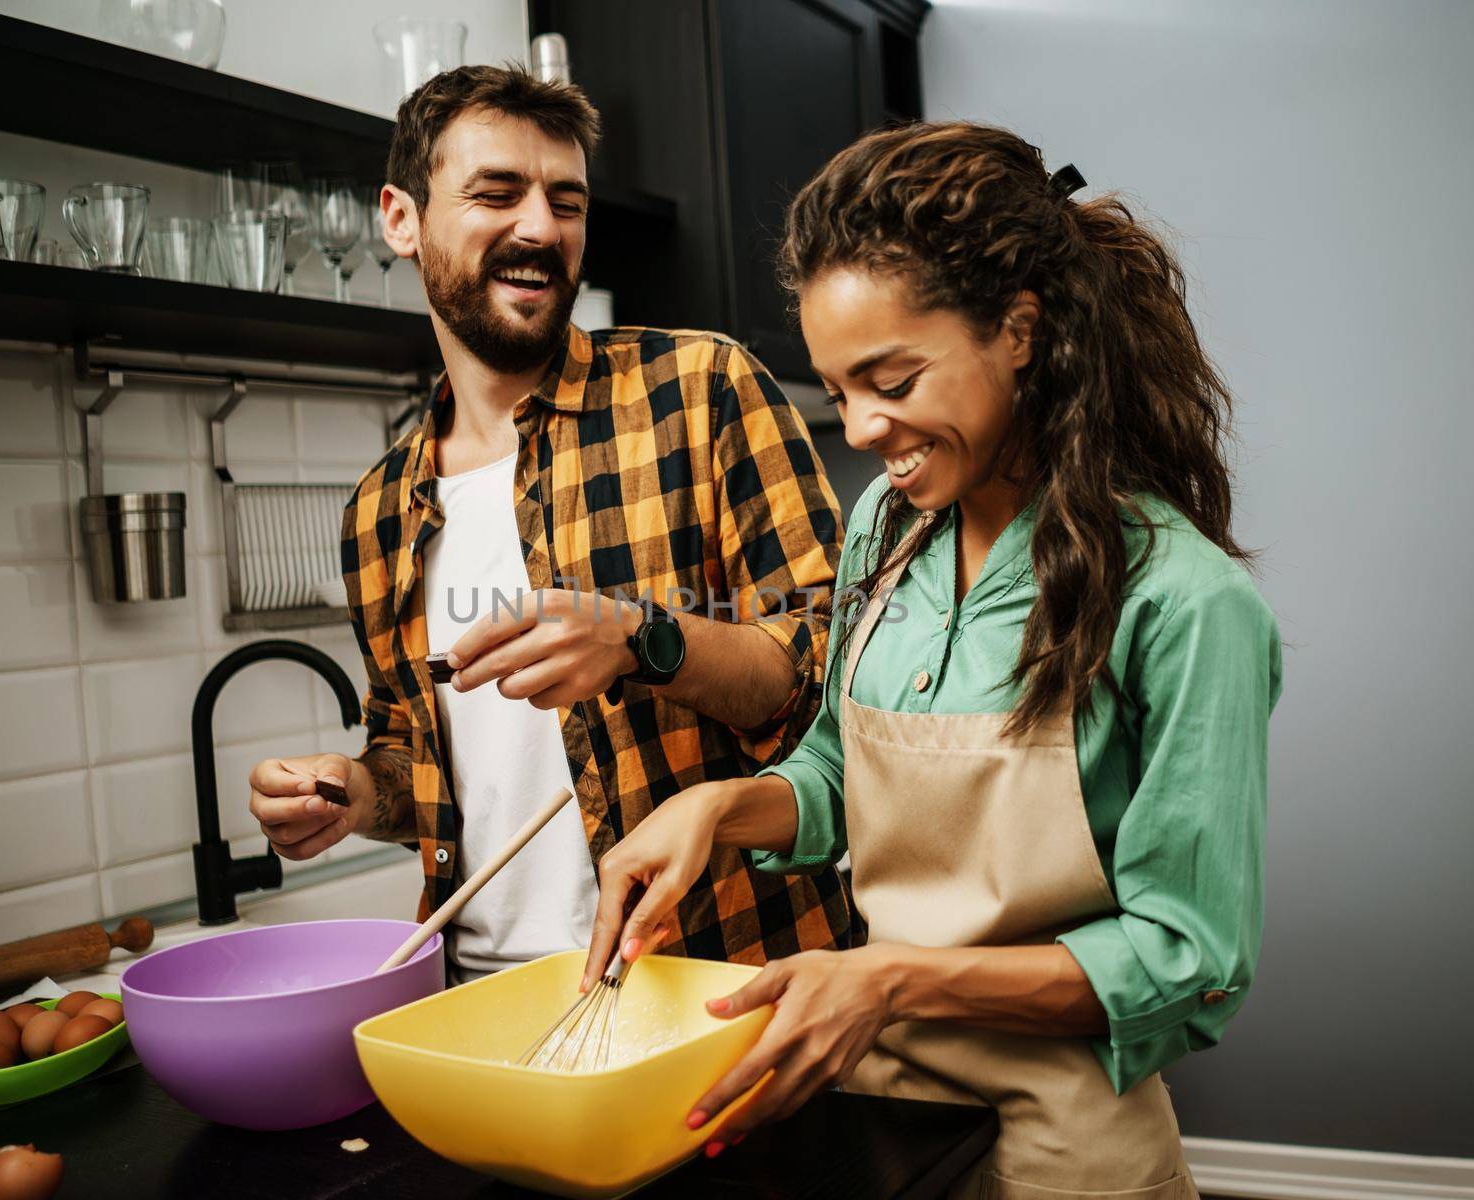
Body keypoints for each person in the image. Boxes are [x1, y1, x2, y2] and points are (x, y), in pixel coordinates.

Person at [583, 121, 1282, 1198]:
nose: (860, 426)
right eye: (837, 387)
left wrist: (890, 977)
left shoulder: (1183, 603)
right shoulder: (886, 528)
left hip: (1064, 1139)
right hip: (873, 1108)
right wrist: (718, 812)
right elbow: (836, 771)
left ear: (1019, 330)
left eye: (892, 380)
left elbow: (1189, 962)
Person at [246, 65, 853, 982]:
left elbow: (832, 679)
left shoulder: (700, 391)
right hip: (485, 993)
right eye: (497, 193)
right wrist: (354, 792)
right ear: (401, 220)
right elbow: (417, 758)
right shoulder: (377, 510)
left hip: (721, 979)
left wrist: (643, 639)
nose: (540, 227)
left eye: (565, 202)